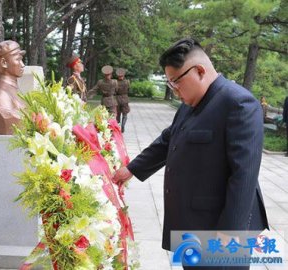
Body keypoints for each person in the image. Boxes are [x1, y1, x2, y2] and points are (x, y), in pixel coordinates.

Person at [113, 38, 268, 270]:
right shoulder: (191, 102)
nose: (175, 91)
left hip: (219, 228)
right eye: (170, 84)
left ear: (199, 71)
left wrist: (229, 235)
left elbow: (243, 176)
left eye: (176, 83)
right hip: (192, 222)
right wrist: (131, 169)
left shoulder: (238, 103)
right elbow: (169, 139)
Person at [115, 68, 130, 133]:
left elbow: (114, 91)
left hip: (117, 99)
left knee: (117, 115)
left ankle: (118, 126)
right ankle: (123, 125)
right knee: (125, 114)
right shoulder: (127, 82)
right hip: (125, 99)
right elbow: (128, 90)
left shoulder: (115, 82)